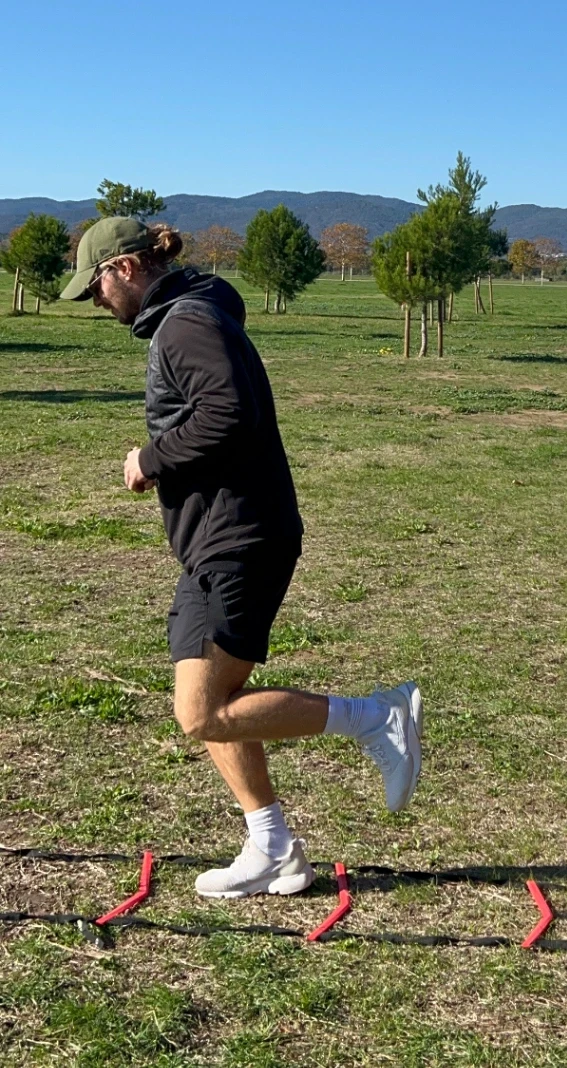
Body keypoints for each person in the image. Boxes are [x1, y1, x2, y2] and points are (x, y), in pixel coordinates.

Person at [61, 217, 423, 900]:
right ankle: (273, 848)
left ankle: (377, 717)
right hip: (223, 537)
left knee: (201, 712)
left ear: (126, 268)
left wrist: (150, 459)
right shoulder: (192, 315)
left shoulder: (185, 326)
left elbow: (229, 413)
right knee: (210, 698)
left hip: (240, 538)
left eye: (96, 285)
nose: (96, 300)